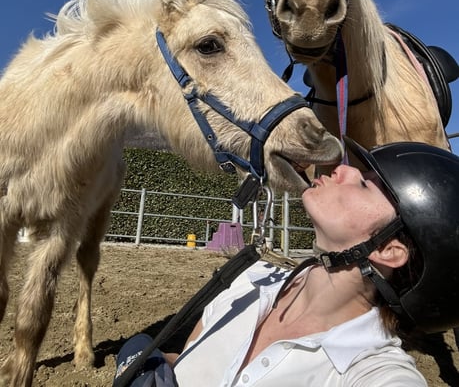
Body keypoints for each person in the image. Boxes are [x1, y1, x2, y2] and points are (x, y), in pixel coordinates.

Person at [113, 137, 459, 386]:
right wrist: (160, 366)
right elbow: (196, 362)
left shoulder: (374, 371)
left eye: (367, 185)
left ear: (388, 251)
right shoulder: (249, 280)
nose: (343, 169)